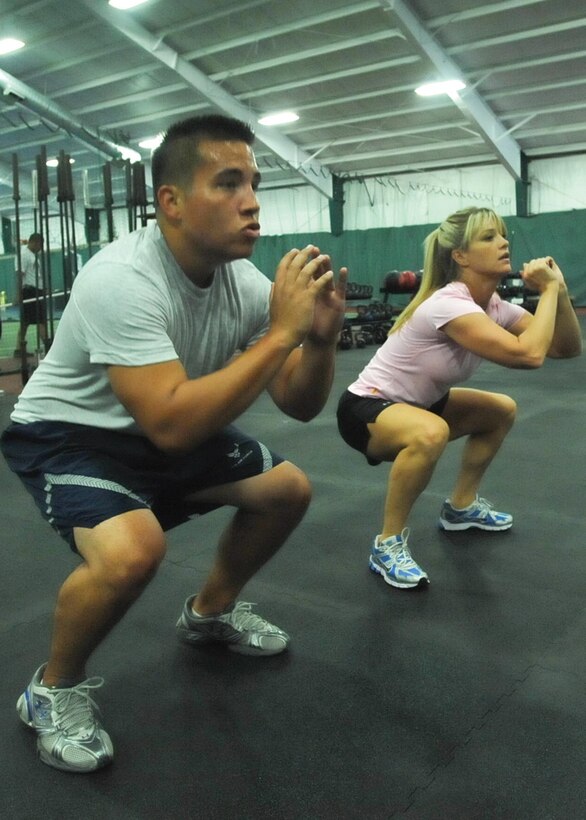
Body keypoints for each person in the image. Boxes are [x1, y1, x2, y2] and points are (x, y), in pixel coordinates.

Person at [0, 114, 347, 773]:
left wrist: (320, 341)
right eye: (227, 183)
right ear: (172, 202)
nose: (250, 201)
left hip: (163, 424)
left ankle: (209, 613)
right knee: (132, 553)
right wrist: (280, 335)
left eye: (253, 184)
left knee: (287, 491)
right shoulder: (121, 278)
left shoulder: (243, 283)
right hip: (72, 437)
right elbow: (173, 428)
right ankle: (51, 691)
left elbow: (299, 406)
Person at [337, 206, 582, 591]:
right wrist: (548, 290)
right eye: (489, 237)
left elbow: (565, 349)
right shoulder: (448, 303)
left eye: (503, 235)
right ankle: (386, 545)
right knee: (431, 432)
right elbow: (529, 355)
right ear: (460, 256)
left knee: (499, 410)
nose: (503, 242)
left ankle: (461, 508)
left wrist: (561, 291)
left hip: (421, 405)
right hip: (365, 409)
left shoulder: (495, 306)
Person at [14, 232, 50, 357]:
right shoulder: (24, 254)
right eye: (40, 245)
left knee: (25, 322)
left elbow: (35, 275)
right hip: (30, 292)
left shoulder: (31, 255)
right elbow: (20, 274)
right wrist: (18, 294)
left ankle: (19, 350)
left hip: (36, 291)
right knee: (41, 321)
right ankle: (49, 348)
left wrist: (42, 288)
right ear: (36, 242)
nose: (41, 248)